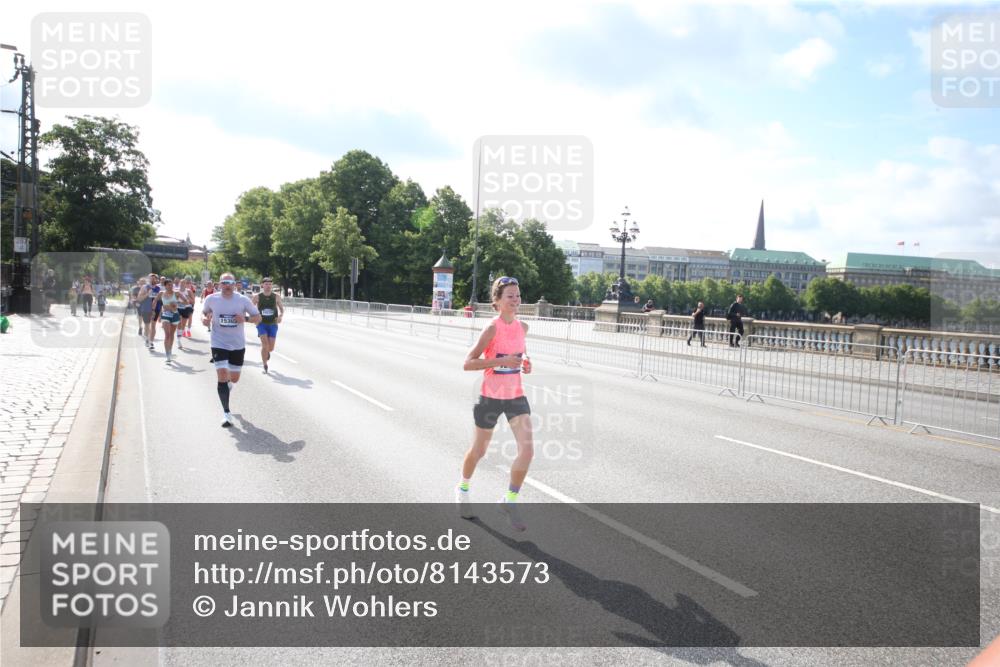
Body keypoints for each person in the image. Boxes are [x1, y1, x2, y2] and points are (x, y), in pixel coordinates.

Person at [457, 276, 534, 531]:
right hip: (490, 398)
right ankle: (463, 489)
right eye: (510, 296)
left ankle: (509, 500)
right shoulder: (491, 328)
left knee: (527, 450)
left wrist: (526, 362)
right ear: (497, 301)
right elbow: (468, 363)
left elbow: (520, 353)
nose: (516, 300)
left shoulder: (523, 327)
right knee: (479, 451)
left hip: (515, 397)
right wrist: (500, 362)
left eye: (518, 295)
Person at [202, 272, 261, 427]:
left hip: (237, 344)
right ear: (219, 284)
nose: (227, 285)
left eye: (230, 282)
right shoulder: (211, 299)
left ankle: (228, 386)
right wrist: (204, 319)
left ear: (234, 284)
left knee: (234, 378)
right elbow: (204, 314)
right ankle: (227, 413)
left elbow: (258, 317)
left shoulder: (242, 300)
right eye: (224, 282)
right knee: (222, 375)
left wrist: (246, 319)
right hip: (218, 342)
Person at [252, 277, 284, 374]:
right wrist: (255, 318)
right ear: (262, 285)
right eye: (266, 284)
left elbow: (282, 309)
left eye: (270, 284)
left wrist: (280, 316)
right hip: (261, 324)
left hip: (273, 324)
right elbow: (250, 308)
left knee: (270, 348)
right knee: (265, 345)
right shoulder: (257, 297)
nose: (268, 286)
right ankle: (265, 364)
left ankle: (267, 353)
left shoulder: (276, 296)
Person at [154, 278, 181, 364]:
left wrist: (176, 305)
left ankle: (170, 350)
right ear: (165, 285)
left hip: (175, 315)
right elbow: (155, 301)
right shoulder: (161, 293)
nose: (171, 286)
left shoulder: (176, 293)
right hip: (165, 315)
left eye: (172, 284)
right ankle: (167, 354)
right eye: (169, 285)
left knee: (172, 334)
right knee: (167, 334)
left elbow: (186, 301)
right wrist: (153, 311)